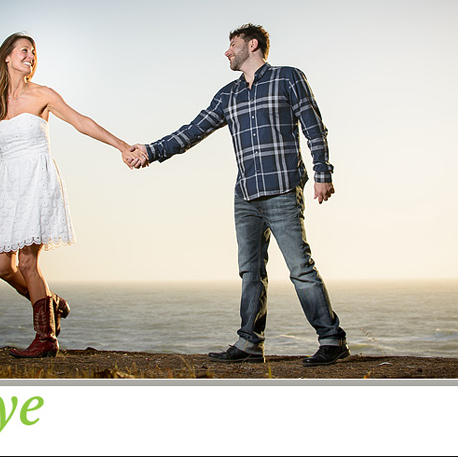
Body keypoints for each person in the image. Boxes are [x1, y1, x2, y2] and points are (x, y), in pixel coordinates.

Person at [130, 24, 349, 366]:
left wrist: (322, 173)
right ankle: (249, 344)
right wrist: (150, 150)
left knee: (300, 268)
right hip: (245, 195)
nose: (227, 52)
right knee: (250, 271)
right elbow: (192, 131)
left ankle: (332, 340)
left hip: (282, 188)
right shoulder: (227, 95)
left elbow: (313, 126)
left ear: (253, 45)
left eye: (232, 45)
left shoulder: (288, 78)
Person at [0, 32, 145, 358]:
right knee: (2, 268)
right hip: (7, 186)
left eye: (34, 53)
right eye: (25, 51)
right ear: (7, 57)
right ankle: (51, 303)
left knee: (27, 261)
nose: (31, 56)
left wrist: (122, 146)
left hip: (37, 180)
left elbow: (80, 122)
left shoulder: (43, 95)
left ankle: (46, 338)